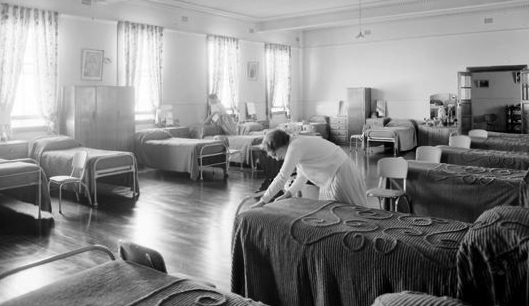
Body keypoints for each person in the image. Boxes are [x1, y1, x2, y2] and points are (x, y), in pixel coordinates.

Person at [252, 129, 367, 208]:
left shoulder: (295, 146)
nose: (277, 159)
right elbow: (302, 176)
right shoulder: (296, 145)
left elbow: (282, 177)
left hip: (339, 172)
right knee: (336, 212)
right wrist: (288, 194)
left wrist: (263, 201)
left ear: (279, 146)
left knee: (347, 211)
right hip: (336, 171)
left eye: (275, 155)